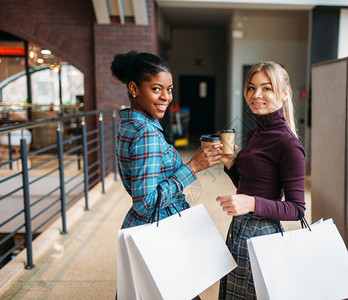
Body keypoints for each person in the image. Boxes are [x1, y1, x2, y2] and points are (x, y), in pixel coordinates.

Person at [217, 61, 306, 299]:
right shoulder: (255, 132)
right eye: (251, 87)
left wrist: (252, 204)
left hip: (263, 234)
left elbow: (297, 209)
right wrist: (230, 163)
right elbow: (250, 185)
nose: (257, 95)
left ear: (284, 94)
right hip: (239, 229)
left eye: (267, 88)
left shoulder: (288, 144)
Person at [110, 50, 222, 229]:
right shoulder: (146, 134)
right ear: (134, 89)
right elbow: (145, 205)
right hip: (160, 227)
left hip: (149, 225)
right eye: (156, 89)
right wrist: (193, 166)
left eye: (169, 89)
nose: (165, 97)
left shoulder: (130, 125)